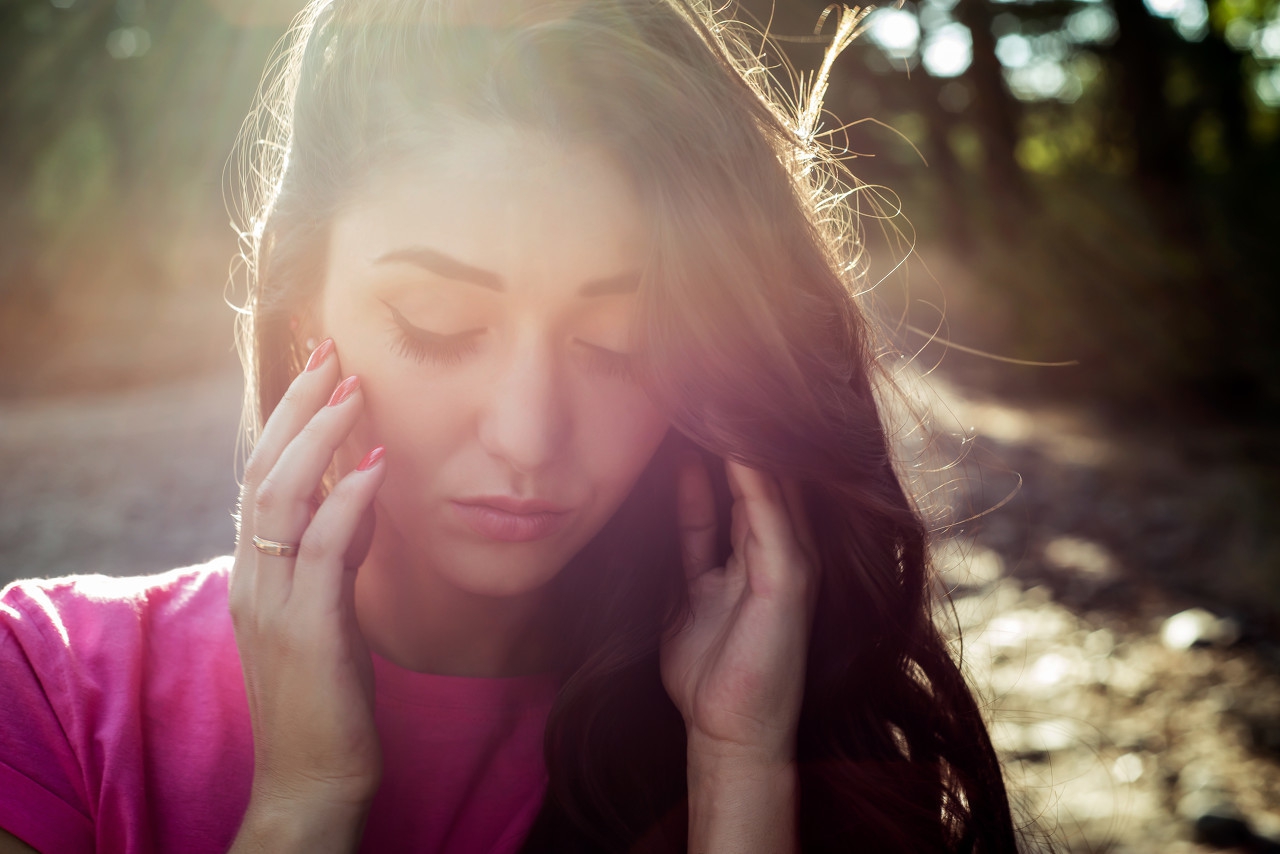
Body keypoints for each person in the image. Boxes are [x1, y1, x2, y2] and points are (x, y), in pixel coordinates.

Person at [0, 0, 1020, 851]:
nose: (530, 435)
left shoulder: (767, 704)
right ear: (305, 311)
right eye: (438, 325)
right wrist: (305, 798)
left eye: (623, 340)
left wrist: (739, 779)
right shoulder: (47, 689)